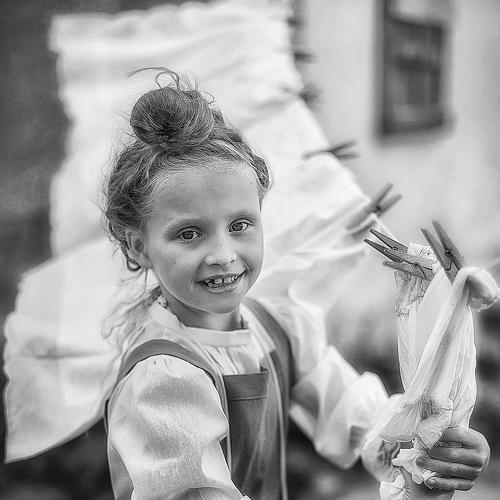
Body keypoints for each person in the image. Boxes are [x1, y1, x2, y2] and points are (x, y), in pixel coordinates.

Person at [97, 70, 490, 499]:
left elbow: (364, 422)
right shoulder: (162, 382)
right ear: (138, 246)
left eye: (240, 225)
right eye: (189, 233)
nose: (223, 254)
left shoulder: (277, 327)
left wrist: (432, 447)